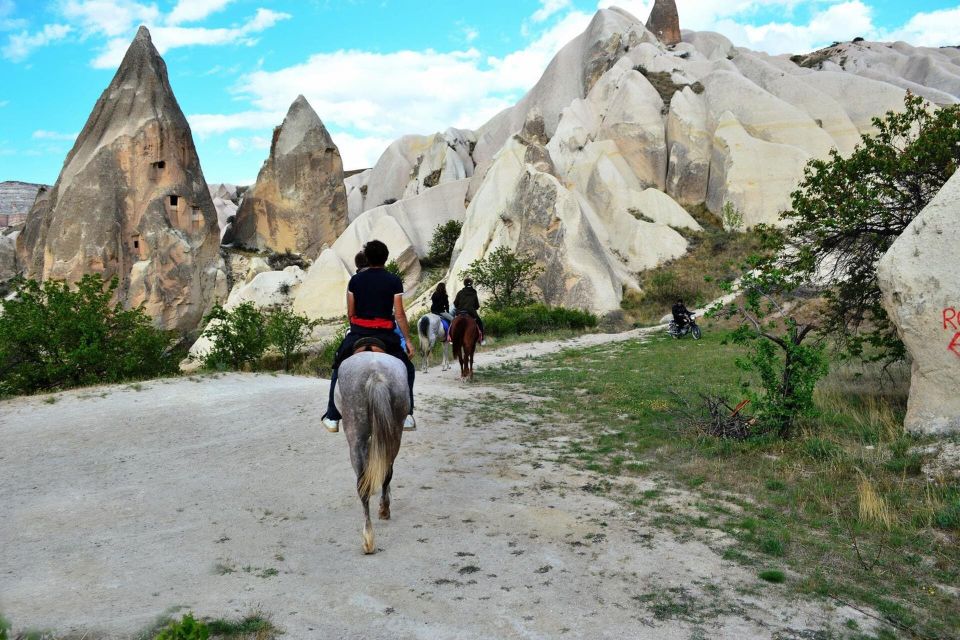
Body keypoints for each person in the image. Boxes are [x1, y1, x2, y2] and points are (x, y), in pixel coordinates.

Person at [322, 240, 416, 433]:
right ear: (385, 258)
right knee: (408, 368)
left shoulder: (355, 281)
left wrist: (357, 327)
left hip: (359, 332)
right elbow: (399, 315)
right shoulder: (393, 281)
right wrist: (407, 340)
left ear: (368, 259)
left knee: (338, 366)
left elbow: (351, 312)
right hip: (385, 334)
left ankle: (332, 416)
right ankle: (407, 414)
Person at [453, 277, 485, 345]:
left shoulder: (460, 292)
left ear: (464, 284)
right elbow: (477, 305)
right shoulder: (474, 293)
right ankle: (481, 340)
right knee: (480, 323)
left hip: (460, 312)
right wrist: (475, 308)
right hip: (471, 313)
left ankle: (451, 338)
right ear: (471, 284)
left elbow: (455, 303)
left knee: (452, 323)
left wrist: (459, 307)